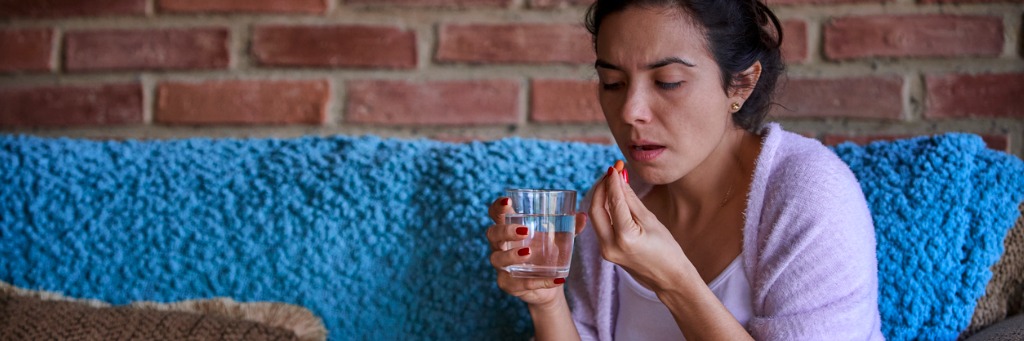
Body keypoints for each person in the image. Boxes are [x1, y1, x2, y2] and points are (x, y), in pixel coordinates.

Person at [486, 0, 884, 339]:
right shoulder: (611, 211)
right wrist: (546, 301)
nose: (631, 112)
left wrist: (673, 280)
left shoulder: (809, 194)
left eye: (668, 81)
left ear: (740, 85)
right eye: (612, 83)